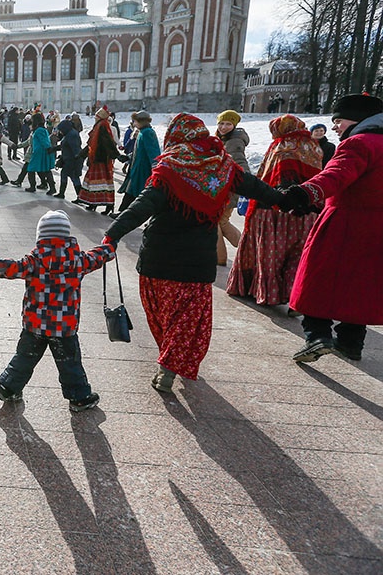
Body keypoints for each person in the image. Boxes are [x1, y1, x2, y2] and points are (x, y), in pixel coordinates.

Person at [104, 113, 283, 393]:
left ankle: (168, 360)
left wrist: (112, 235)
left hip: (158, 260)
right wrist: (290, 199)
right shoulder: (222, 166)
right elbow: (256, 187)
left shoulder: (170, 167)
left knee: (161, 316)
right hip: (197, 263)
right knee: (187, 321)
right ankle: (170, 363)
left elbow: (142, 206)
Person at [0, 210, 114, 411]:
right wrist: (110, 246)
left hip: (34, 323)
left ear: (41, 236)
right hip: (64, 327)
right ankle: (80, 397)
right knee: (69, 363)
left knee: (25, 357)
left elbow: (9, 268)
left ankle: (8, 388)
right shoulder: (79, 260)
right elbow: (99, 256)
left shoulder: (33, 261)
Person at [279, 94, 383, 363]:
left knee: (314, 277)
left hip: (345, 224)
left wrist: (305, 193)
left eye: (338, 120)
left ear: (357, 119)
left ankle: (317, 336)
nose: (334, 126)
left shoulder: (359, 143)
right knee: (360, 285)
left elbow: (337, 175)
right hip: (377, 230)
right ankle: (350, 342)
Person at [227, 115, 322, 307]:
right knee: (297, 255)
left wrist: (277, 198)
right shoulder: (314, 147)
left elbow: (276, 178)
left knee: (272, 253)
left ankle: (267, 292)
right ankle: (296, 296)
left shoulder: (283, 146)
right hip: (307, 210)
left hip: (275, 209)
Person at [214, 110, 251, 266]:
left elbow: (240, 163)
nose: (223, 127)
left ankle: (219, 258)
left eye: (228, 124)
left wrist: (248, 185)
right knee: (222, 222)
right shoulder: (223, 139)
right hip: (223, 188)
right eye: (221, 123)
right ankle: (248, 249)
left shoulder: (234, 142)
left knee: (214, 223)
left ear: (234, 125)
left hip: (228, 190)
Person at [76, 107, 123, 215]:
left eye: (96, 116)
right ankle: (94, 203)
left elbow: (108, 142)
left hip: (101, 159)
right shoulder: (98, 126)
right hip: (96, 159)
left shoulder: (102, 127)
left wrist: (116, 155)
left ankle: (108, 205)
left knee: (103, 184)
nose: (95, 118)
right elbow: (90, 144)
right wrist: (81, 154)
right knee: (95, 183)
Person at [115, 110, 161, 215]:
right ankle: (122, 212)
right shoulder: (142, 132)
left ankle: (125, 213)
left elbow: (153, 152)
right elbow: (139, 151)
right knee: (131, 191)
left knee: (138, 193)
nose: (134, 123)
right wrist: (128, 157)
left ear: (141, 121)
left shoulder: (148, 133)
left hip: (142, 170)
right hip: (136, 168)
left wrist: (156, 168)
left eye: (135, 121)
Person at [51, 115, 83, 200]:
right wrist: (54, 149)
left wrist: (76, 158)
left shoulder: (71, 135)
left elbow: (75, 148)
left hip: (72, 160)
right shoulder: (69, 133)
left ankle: (79, 196)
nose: (60, 132)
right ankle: (63, 194)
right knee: (67, 175)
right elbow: (64, 146)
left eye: (61, 130)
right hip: (68, 159)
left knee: (74, 177)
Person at [24, 111, 56, 193]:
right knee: (45, 170)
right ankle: (51, 187)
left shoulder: (39, 130)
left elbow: (44, 141)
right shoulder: (42, 129)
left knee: (31, 169)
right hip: (42, 152)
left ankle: (32, 186)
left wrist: (48, 148)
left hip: (39, 153)